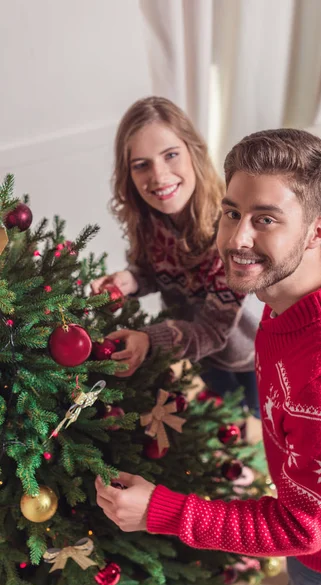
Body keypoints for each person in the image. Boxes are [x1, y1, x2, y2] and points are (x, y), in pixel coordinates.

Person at [96, 128, 321, 585]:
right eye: (233, 212)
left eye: (266, 220)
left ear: (317, 230)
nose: (237, 239)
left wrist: (161, 509)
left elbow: (304, 530)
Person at [91, 96, 259, 416]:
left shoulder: (230, 232)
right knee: (221, 416)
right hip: (200, 353)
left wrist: (149, 340)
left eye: (170, 155)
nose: (158, 176)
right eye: (141, 165)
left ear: (193, 152)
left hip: (250, 357)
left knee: (257, 415)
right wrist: (127, 281)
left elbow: (212, 330)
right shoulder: (149, 220)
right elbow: (150, 271)